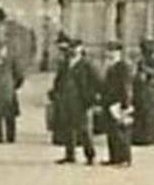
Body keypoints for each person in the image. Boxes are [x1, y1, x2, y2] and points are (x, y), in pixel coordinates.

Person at [50, 37, 100, 165]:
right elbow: (58, 81)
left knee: (84, 129)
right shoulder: (65, 64)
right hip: (66, 101)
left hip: (81, 101)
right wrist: (55, 93)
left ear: (81, 49)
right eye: (71, 48)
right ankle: (70, 155)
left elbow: (96, 81)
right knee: (68, 128)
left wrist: (93, 98)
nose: (73, 51)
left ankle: (90, 155)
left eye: (76, 48)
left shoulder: (87, 64)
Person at [0, 26, 24, 144]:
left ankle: (10, 136)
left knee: (9, 113)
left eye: (1, 36)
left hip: (8, 87)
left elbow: (18, 72)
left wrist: (14, 85)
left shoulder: (12, 54)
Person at [101, 43, 135, 166]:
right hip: (109, 102)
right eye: (109, 51)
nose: (110, 54)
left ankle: (125, 159)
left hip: (118, 103)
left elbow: (126, 86)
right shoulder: (110, 66)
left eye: (113, 51)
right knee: (112, 131)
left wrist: (125, 104)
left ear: (119, 53)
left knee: (121, 132)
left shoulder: (123, 66)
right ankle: (114, 157)